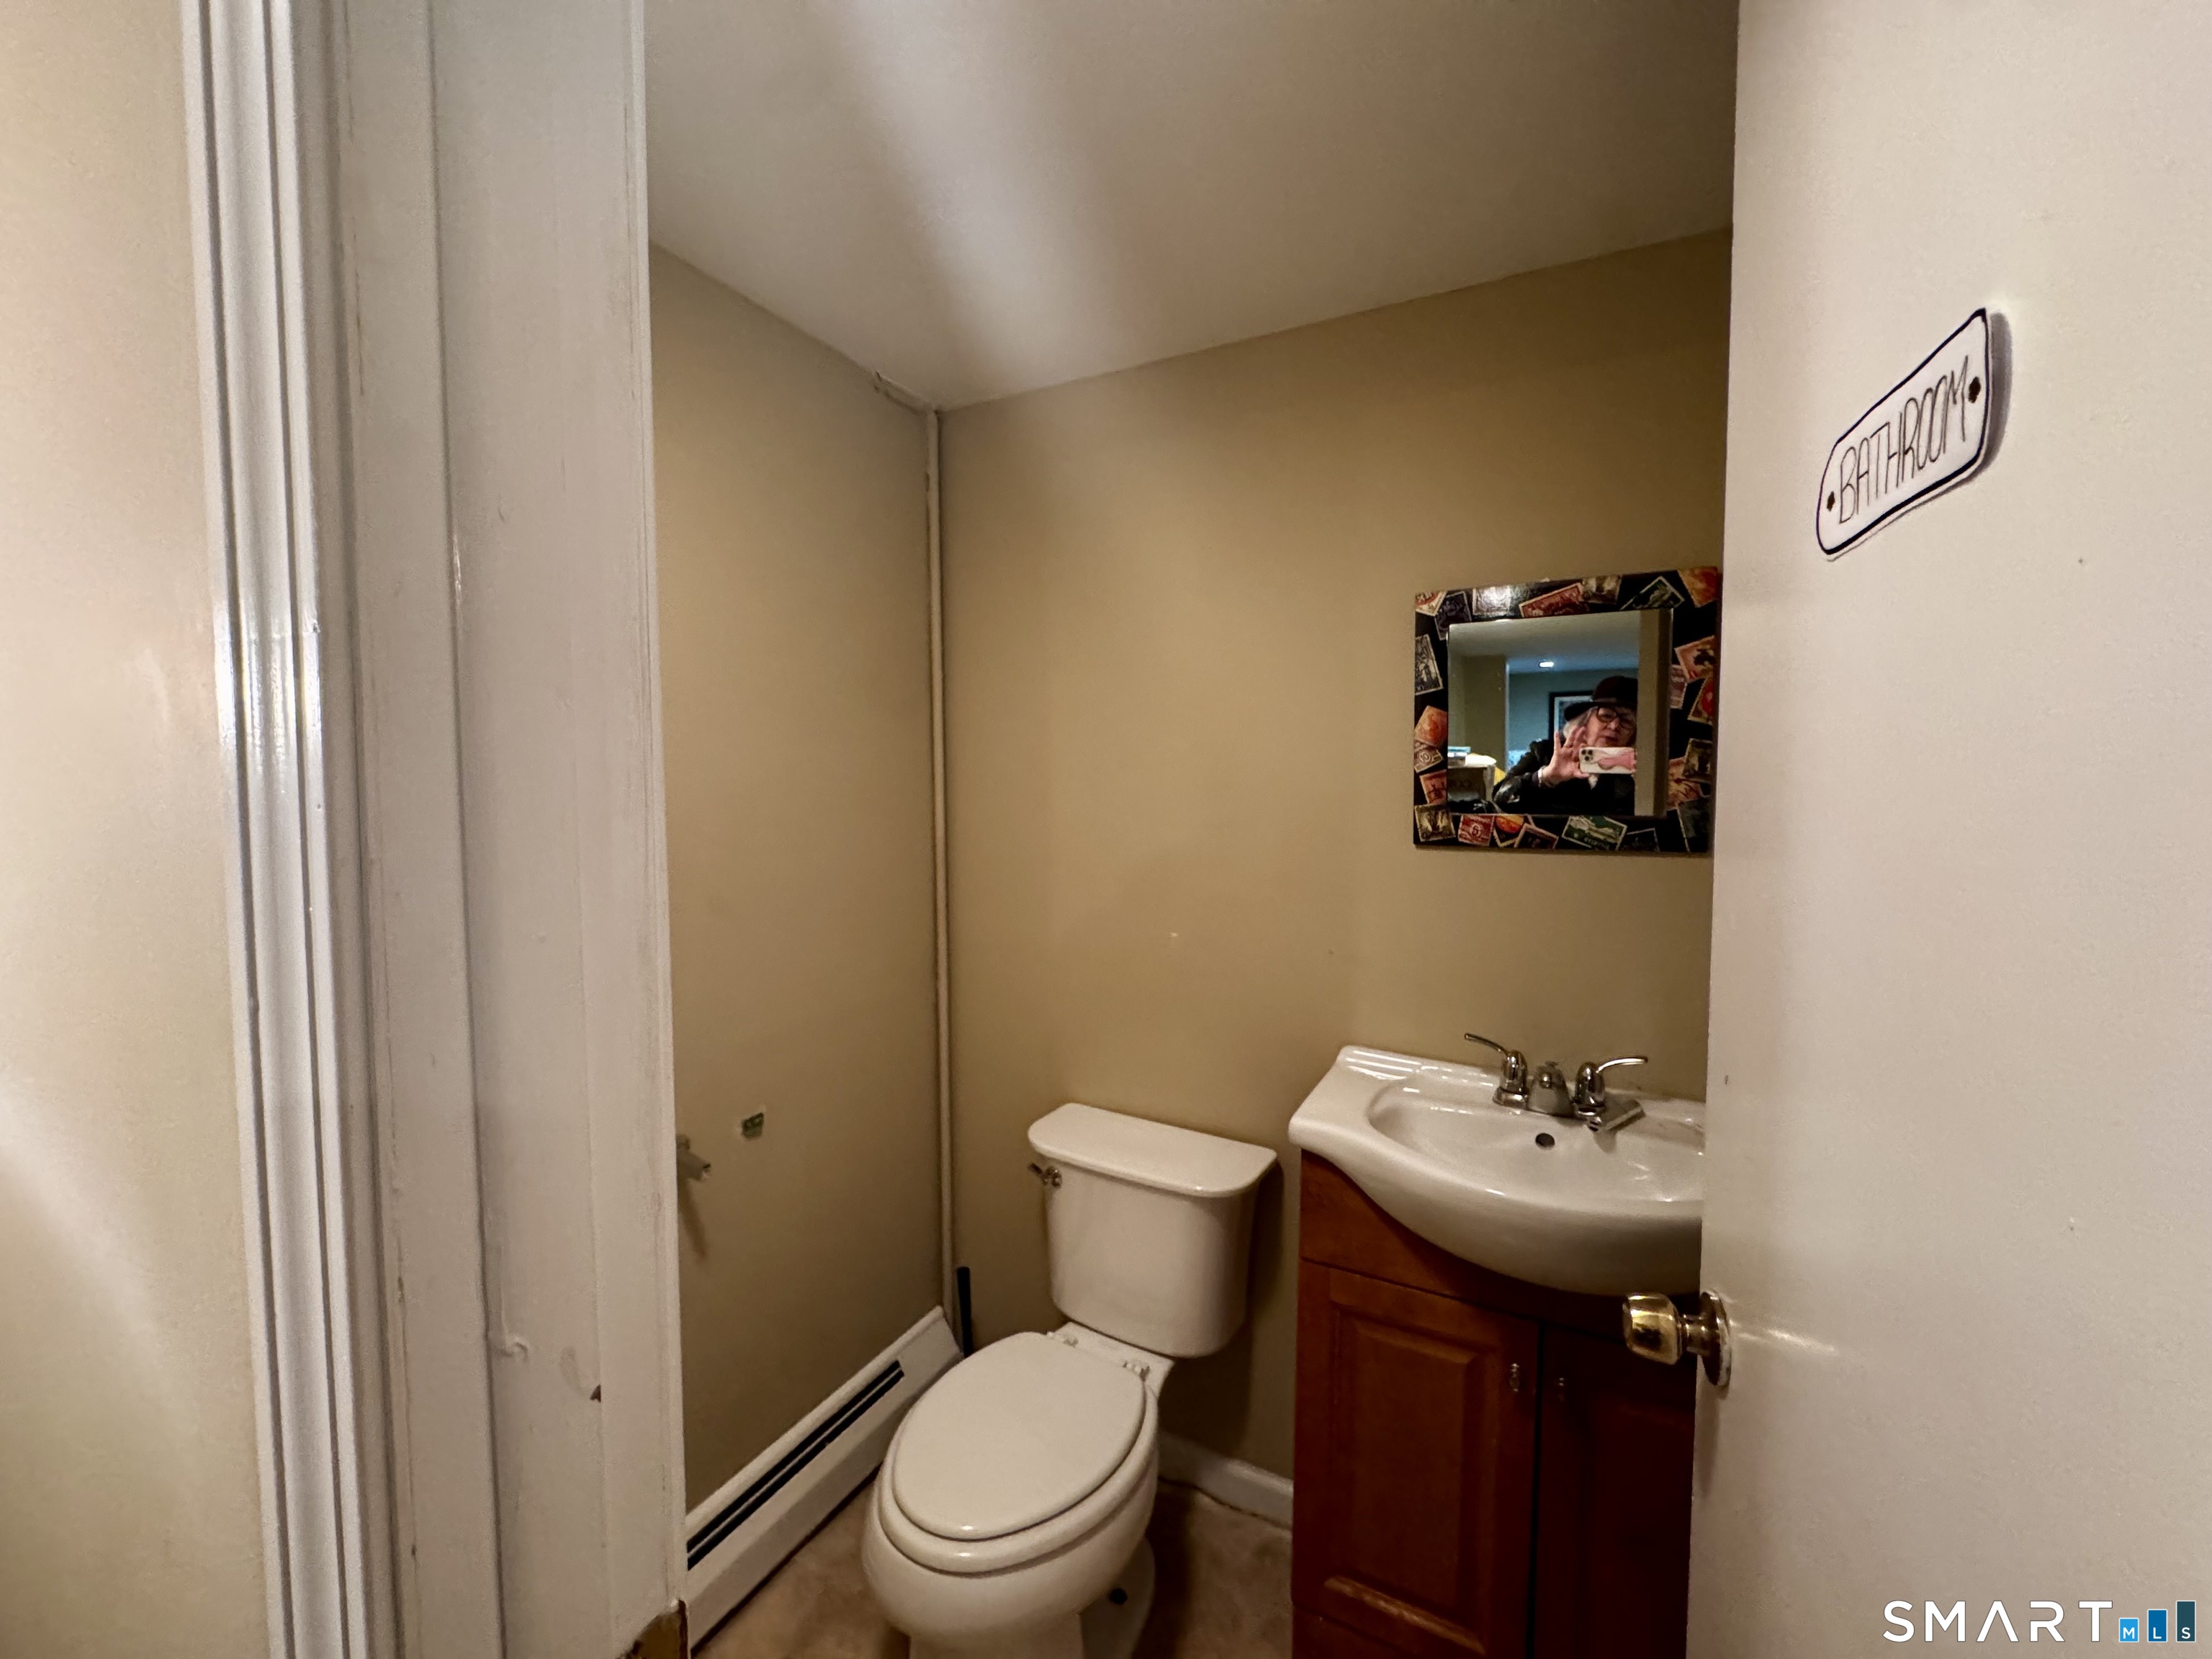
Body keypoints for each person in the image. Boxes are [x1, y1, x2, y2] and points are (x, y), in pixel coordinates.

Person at [1492, 675, 1639, 816]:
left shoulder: (1640, 769)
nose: (1614, 726)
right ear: (1586, 719)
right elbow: (1501, 798)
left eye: (1626, 721)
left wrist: (1643, 784)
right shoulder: (1544, 752)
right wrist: (1546, 777)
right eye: (1606, 715)